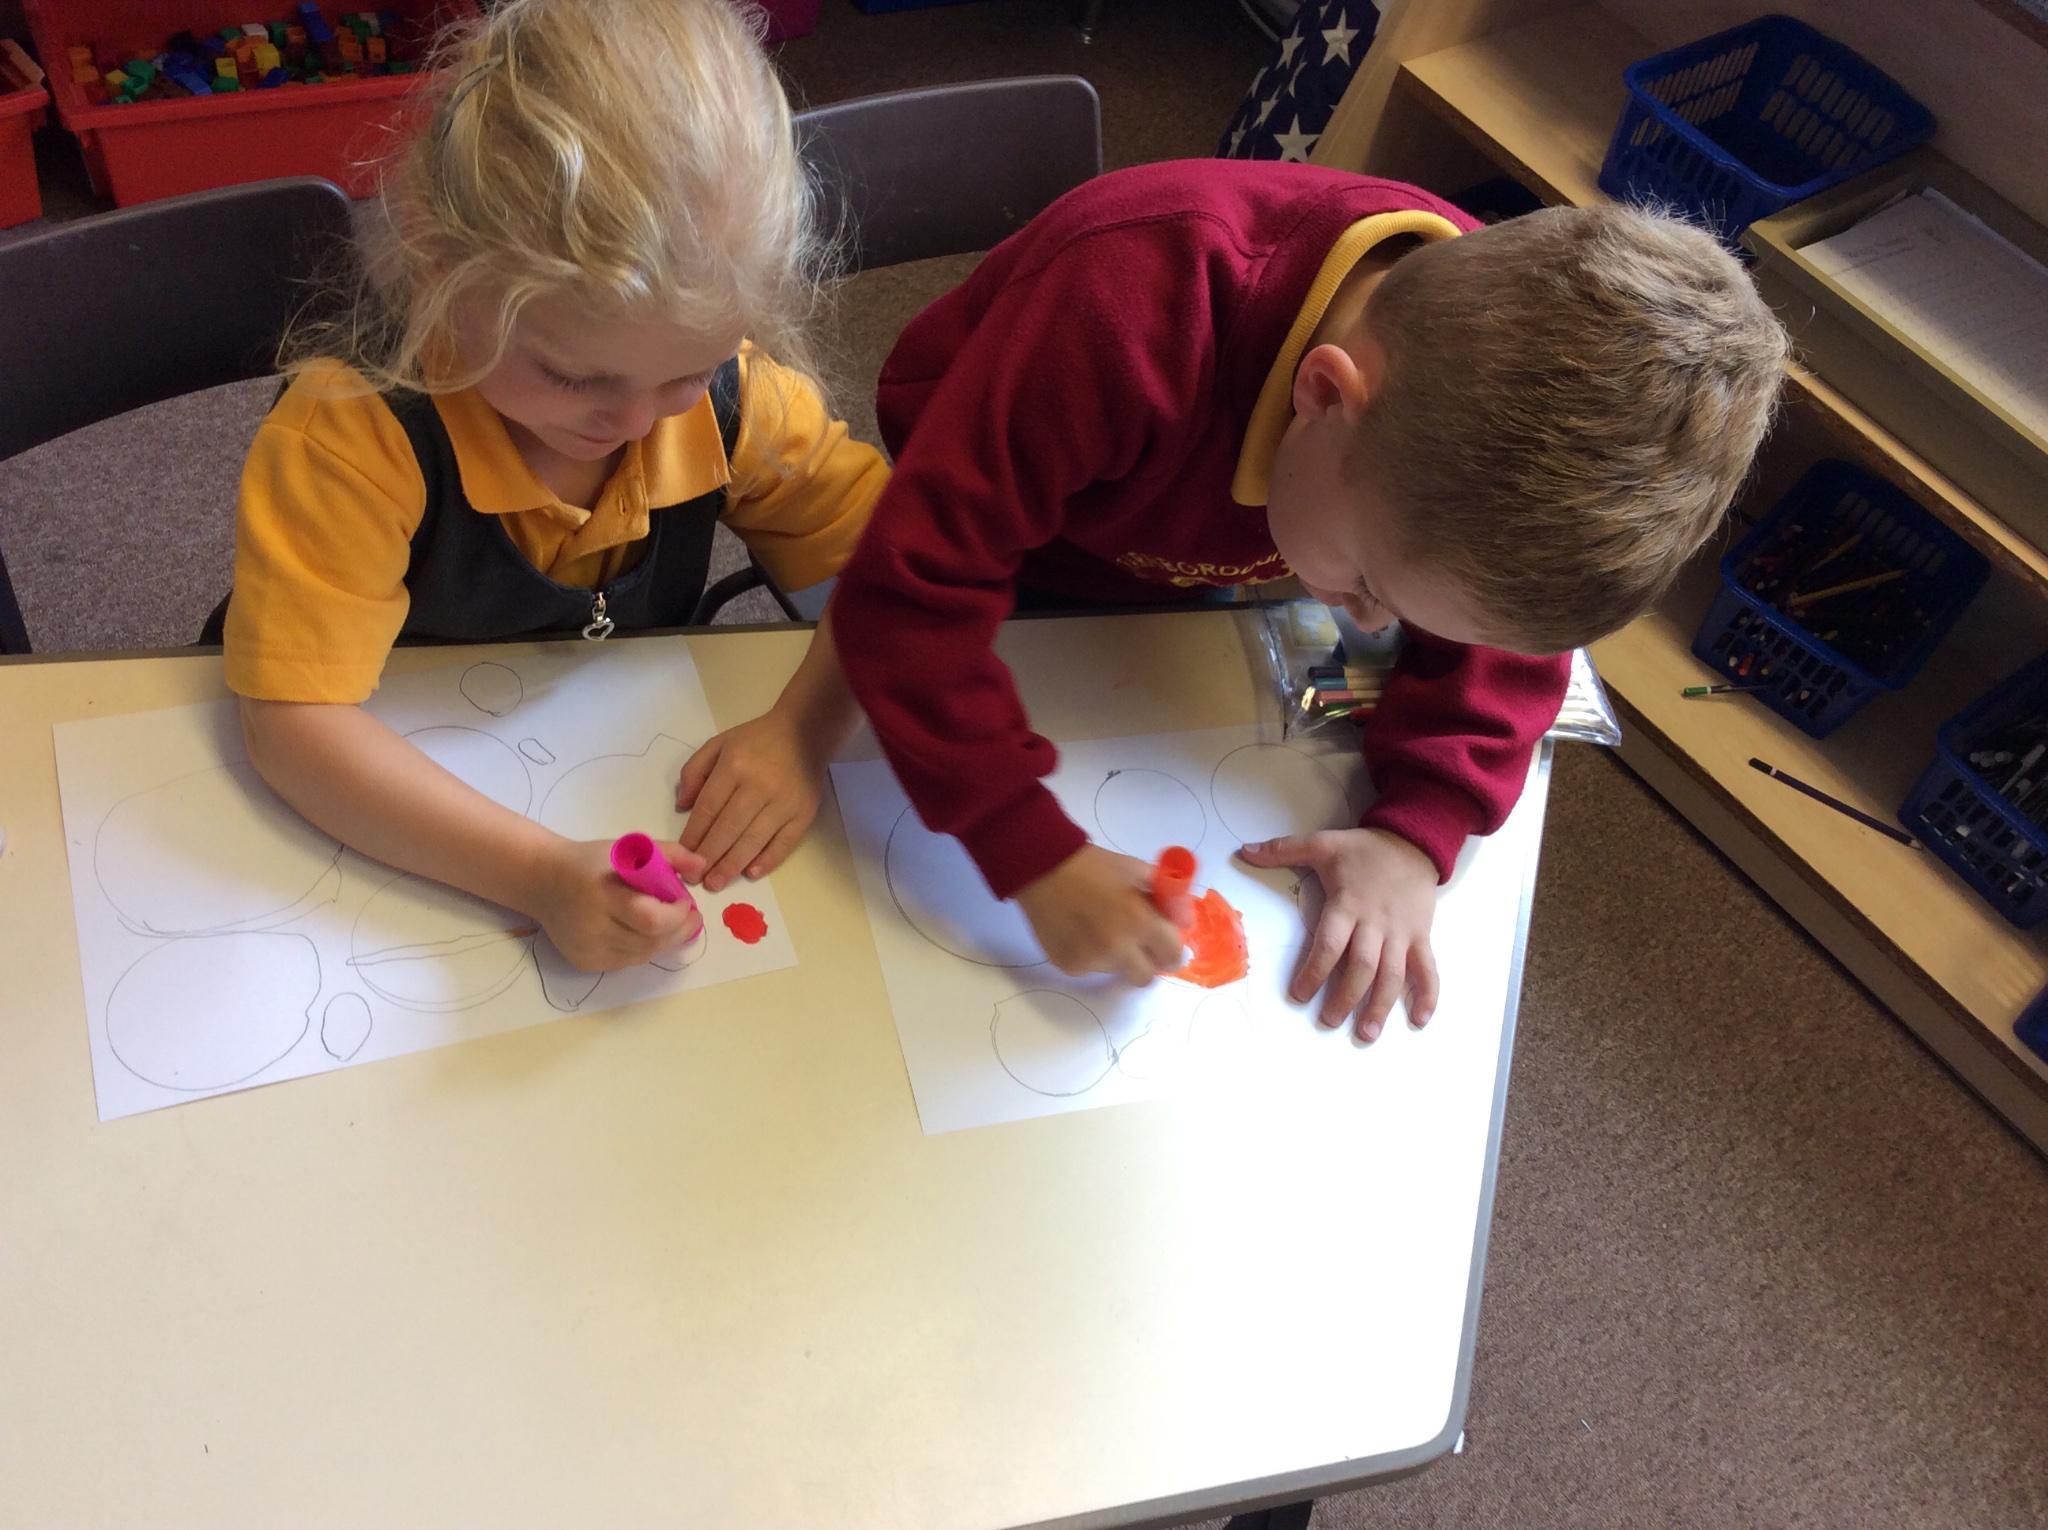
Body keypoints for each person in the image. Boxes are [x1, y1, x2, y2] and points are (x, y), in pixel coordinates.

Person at [831, 161, 1788, 1039]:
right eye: (1368, 586)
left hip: (1194, 543)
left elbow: (1505, 647)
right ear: (1326, 396)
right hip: (1017, 504)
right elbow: (909, 593)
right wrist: (1030, 852)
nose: (1364, 624)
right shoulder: (1123, 311)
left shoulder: (1472, 426)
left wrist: (1419, 832)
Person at [222, 0, 885, 972]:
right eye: (574, 378)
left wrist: (804, 729)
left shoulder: (737, 401)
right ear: (440, 269)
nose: (637, 421)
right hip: (388, 833)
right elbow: (290, 726)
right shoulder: (353, 434)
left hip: (601, 761)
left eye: (687, 371)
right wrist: (535, 876)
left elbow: (895, 574)